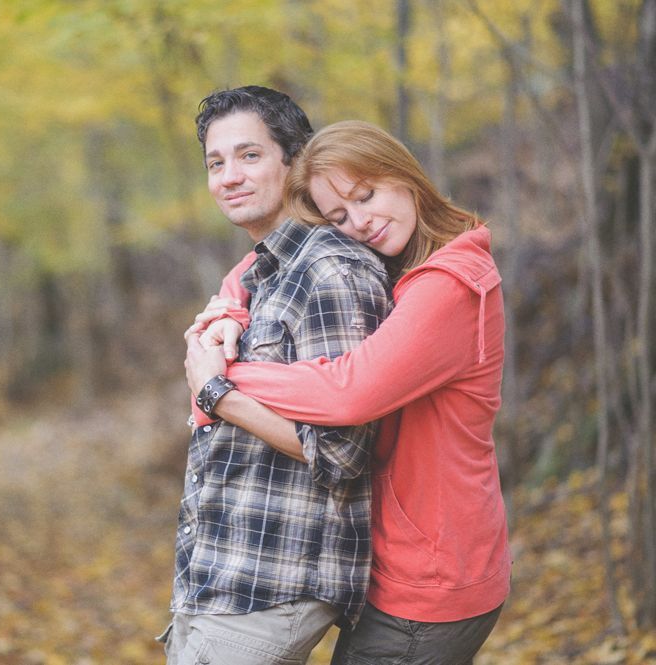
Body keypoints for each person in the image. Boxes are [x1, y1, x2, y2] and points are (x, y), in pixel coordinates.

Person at [185, 119, 510, 664]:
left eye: (367, 195)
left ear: (404, 176)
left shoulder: (451, 283)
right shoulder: (400, 265)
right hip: (394, 565)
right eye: (339, 216)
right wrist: (226, 310)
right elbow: (257, 266)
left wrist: (219, 381)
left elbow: (348, 392)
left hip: (432, 576)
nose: (360, 223)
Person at [160, 88, 392, 664]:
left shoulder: (330, 270)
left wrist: (216, 393)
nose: (229, 177)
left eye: (249, 156)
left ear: (294, 162)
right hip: (218, 576)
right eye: (216, 163)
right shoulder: (263, 276)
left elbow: (342, 453)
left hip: (274, 581)